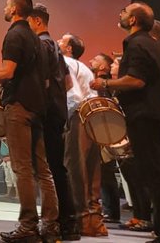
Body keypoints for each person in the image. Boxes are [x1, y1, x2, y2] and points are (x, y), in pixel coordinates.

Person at [93, 2, 160, 243]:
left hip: (144, 116)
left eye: (123, 11)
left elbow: (136, 81)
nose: (120, 14)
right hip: (157, 115)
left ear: (133, 20)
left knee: (155, 176)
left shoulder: (135, 42)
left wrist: (105, 84)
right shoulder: (154, 43)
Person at [0, 0, 58, 243]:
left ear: (15, 9)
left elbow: (8, 70)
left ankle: (28, 227)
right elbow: (46, 80)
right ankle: (50, 225)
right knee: (43, 170)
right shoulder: (37, 39)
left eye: (6, 5)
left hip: (19, 107)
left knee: (22, 169)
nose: (4, 8)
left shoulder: (14, 34)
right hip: (38, 107)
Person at [28, 4, 77, 240]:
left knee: (50, 169)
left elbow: (44, 82)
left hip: (47, 114)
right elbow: (67, 83)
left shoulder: (41, 44)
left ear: (37, 21)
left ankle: (61, 222)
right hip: (57, 113)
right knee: (58, 167)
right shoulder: (55, 46)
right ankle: (67, 221)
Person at [58, 33, 105, 237]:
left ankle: (81, 220)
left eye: (62, 40)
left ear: (68, 49)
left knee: (75, 169)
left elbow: (73, 95)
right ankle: (94, 220)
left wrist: (65, 120)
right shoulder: (84, 67)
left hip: (77, 116)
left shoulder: (65, 61)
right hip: (92, 117)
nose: (58, 42)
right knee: (91, 169)